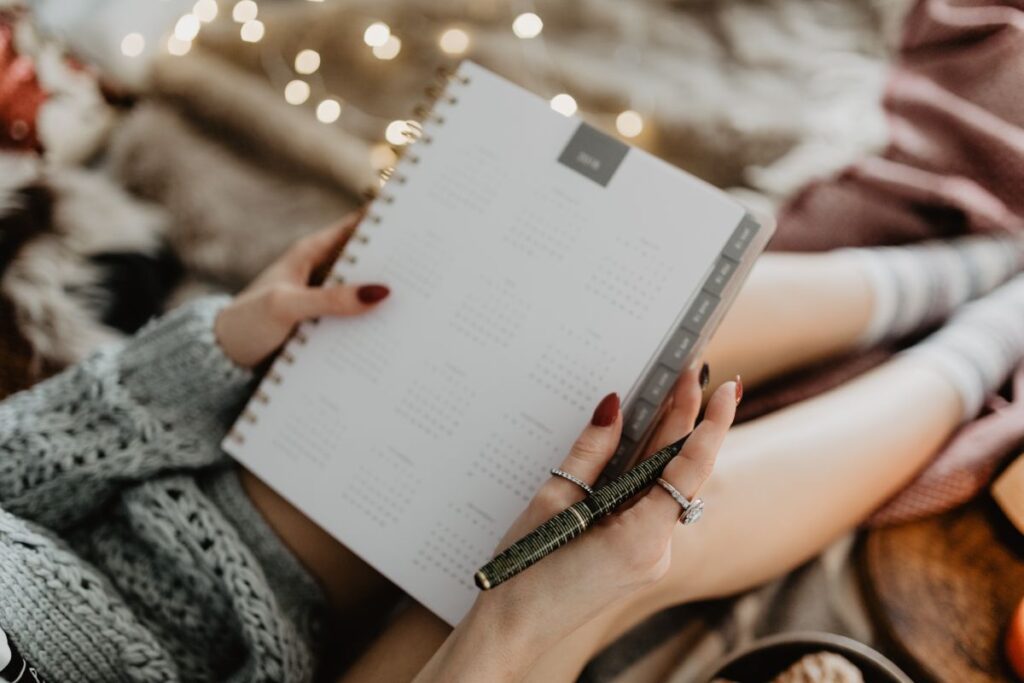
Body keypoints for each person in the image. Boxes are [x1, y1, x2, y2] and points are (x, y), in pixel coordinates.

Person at [1, 211, 1022, 682]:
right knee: (625, 543)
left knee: (556, 345)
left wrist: (229, 338)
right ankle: (987, 344)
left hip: (219, 522)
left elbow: (24, 456)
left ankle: (949, 275)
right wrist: (516, 616)